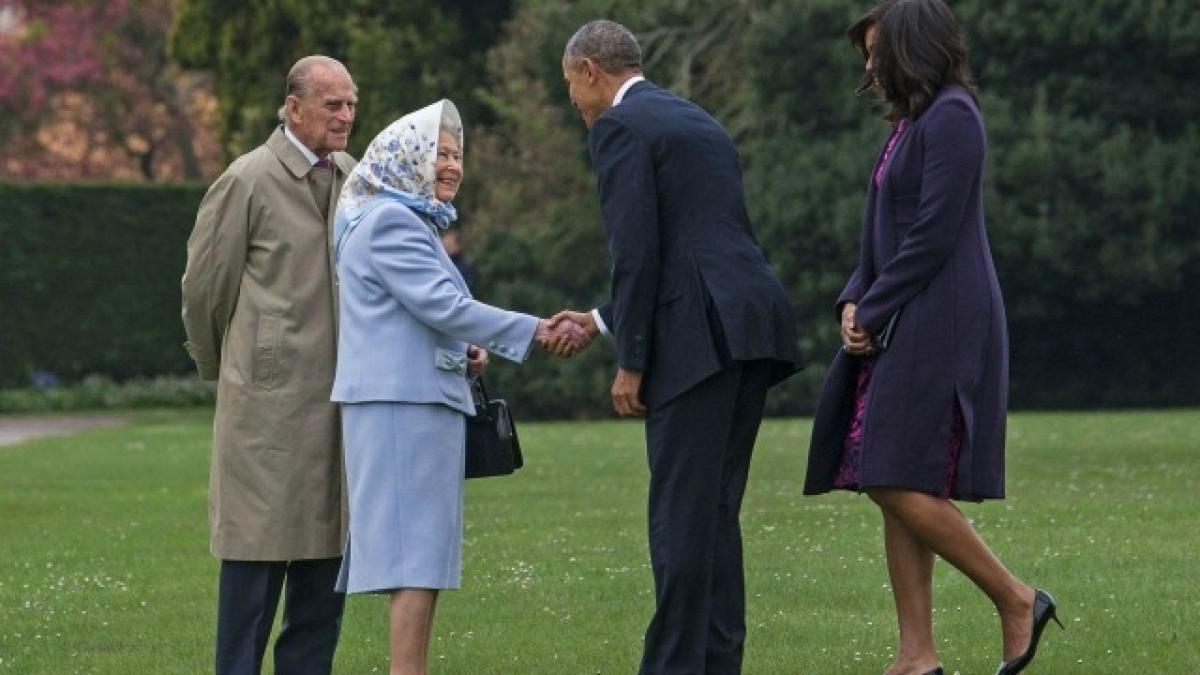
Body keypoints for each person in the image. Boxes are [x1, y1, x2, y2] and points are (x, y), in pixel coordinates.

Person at [803, 2, 1061, 674]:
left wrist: (876, 305)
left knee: (890, 472)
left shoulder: (953, 117)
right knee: (894, 470)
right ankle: (916, 654)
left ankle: (1015, 597)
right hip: (902, 314)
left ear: (912, 49)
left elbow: (933, 234)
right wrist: (854, 299)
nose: (869, 67)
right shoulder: (910, 124)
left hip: (942, 318)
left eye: (876, 52)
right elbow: (882, 233)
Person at [551, 20, 800, 675]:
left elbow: (637, 251)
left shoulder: (619, 128)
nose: (573, 102)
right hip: (751, 327)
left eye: (570, 85)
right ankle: (717, 660)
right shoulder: (696, 120)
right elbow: (693, 242)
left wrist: (631, 360)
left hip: (697, 340)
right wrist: (604, 320)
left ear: (590, 71)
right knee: (716, 510)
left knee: (681, 514)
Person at [330, 99, 586, 675]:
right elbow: (441, 303)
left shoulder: (402, 218)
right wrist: (534, 329)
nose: (452, 165)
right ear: (408, 158)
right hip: (402, 407)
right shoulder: (392, 220)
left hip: (414, 400)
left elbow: (413, 317)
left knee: (422, 559)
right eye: (439, 153)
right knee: (413, 559)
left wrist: (463, 352)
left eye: (457, 155)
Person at [181, 55, 357, 675]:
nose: (345, 116)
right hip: (265, 406)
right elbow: (205, 289)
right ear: (294, 108)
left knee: (324, 571)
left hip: (338, 406)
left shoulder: (354, 177)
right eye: (332, 104)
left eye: (350, 104)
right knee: (254, 563)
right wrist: (226, 367)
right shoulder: (246, 179)